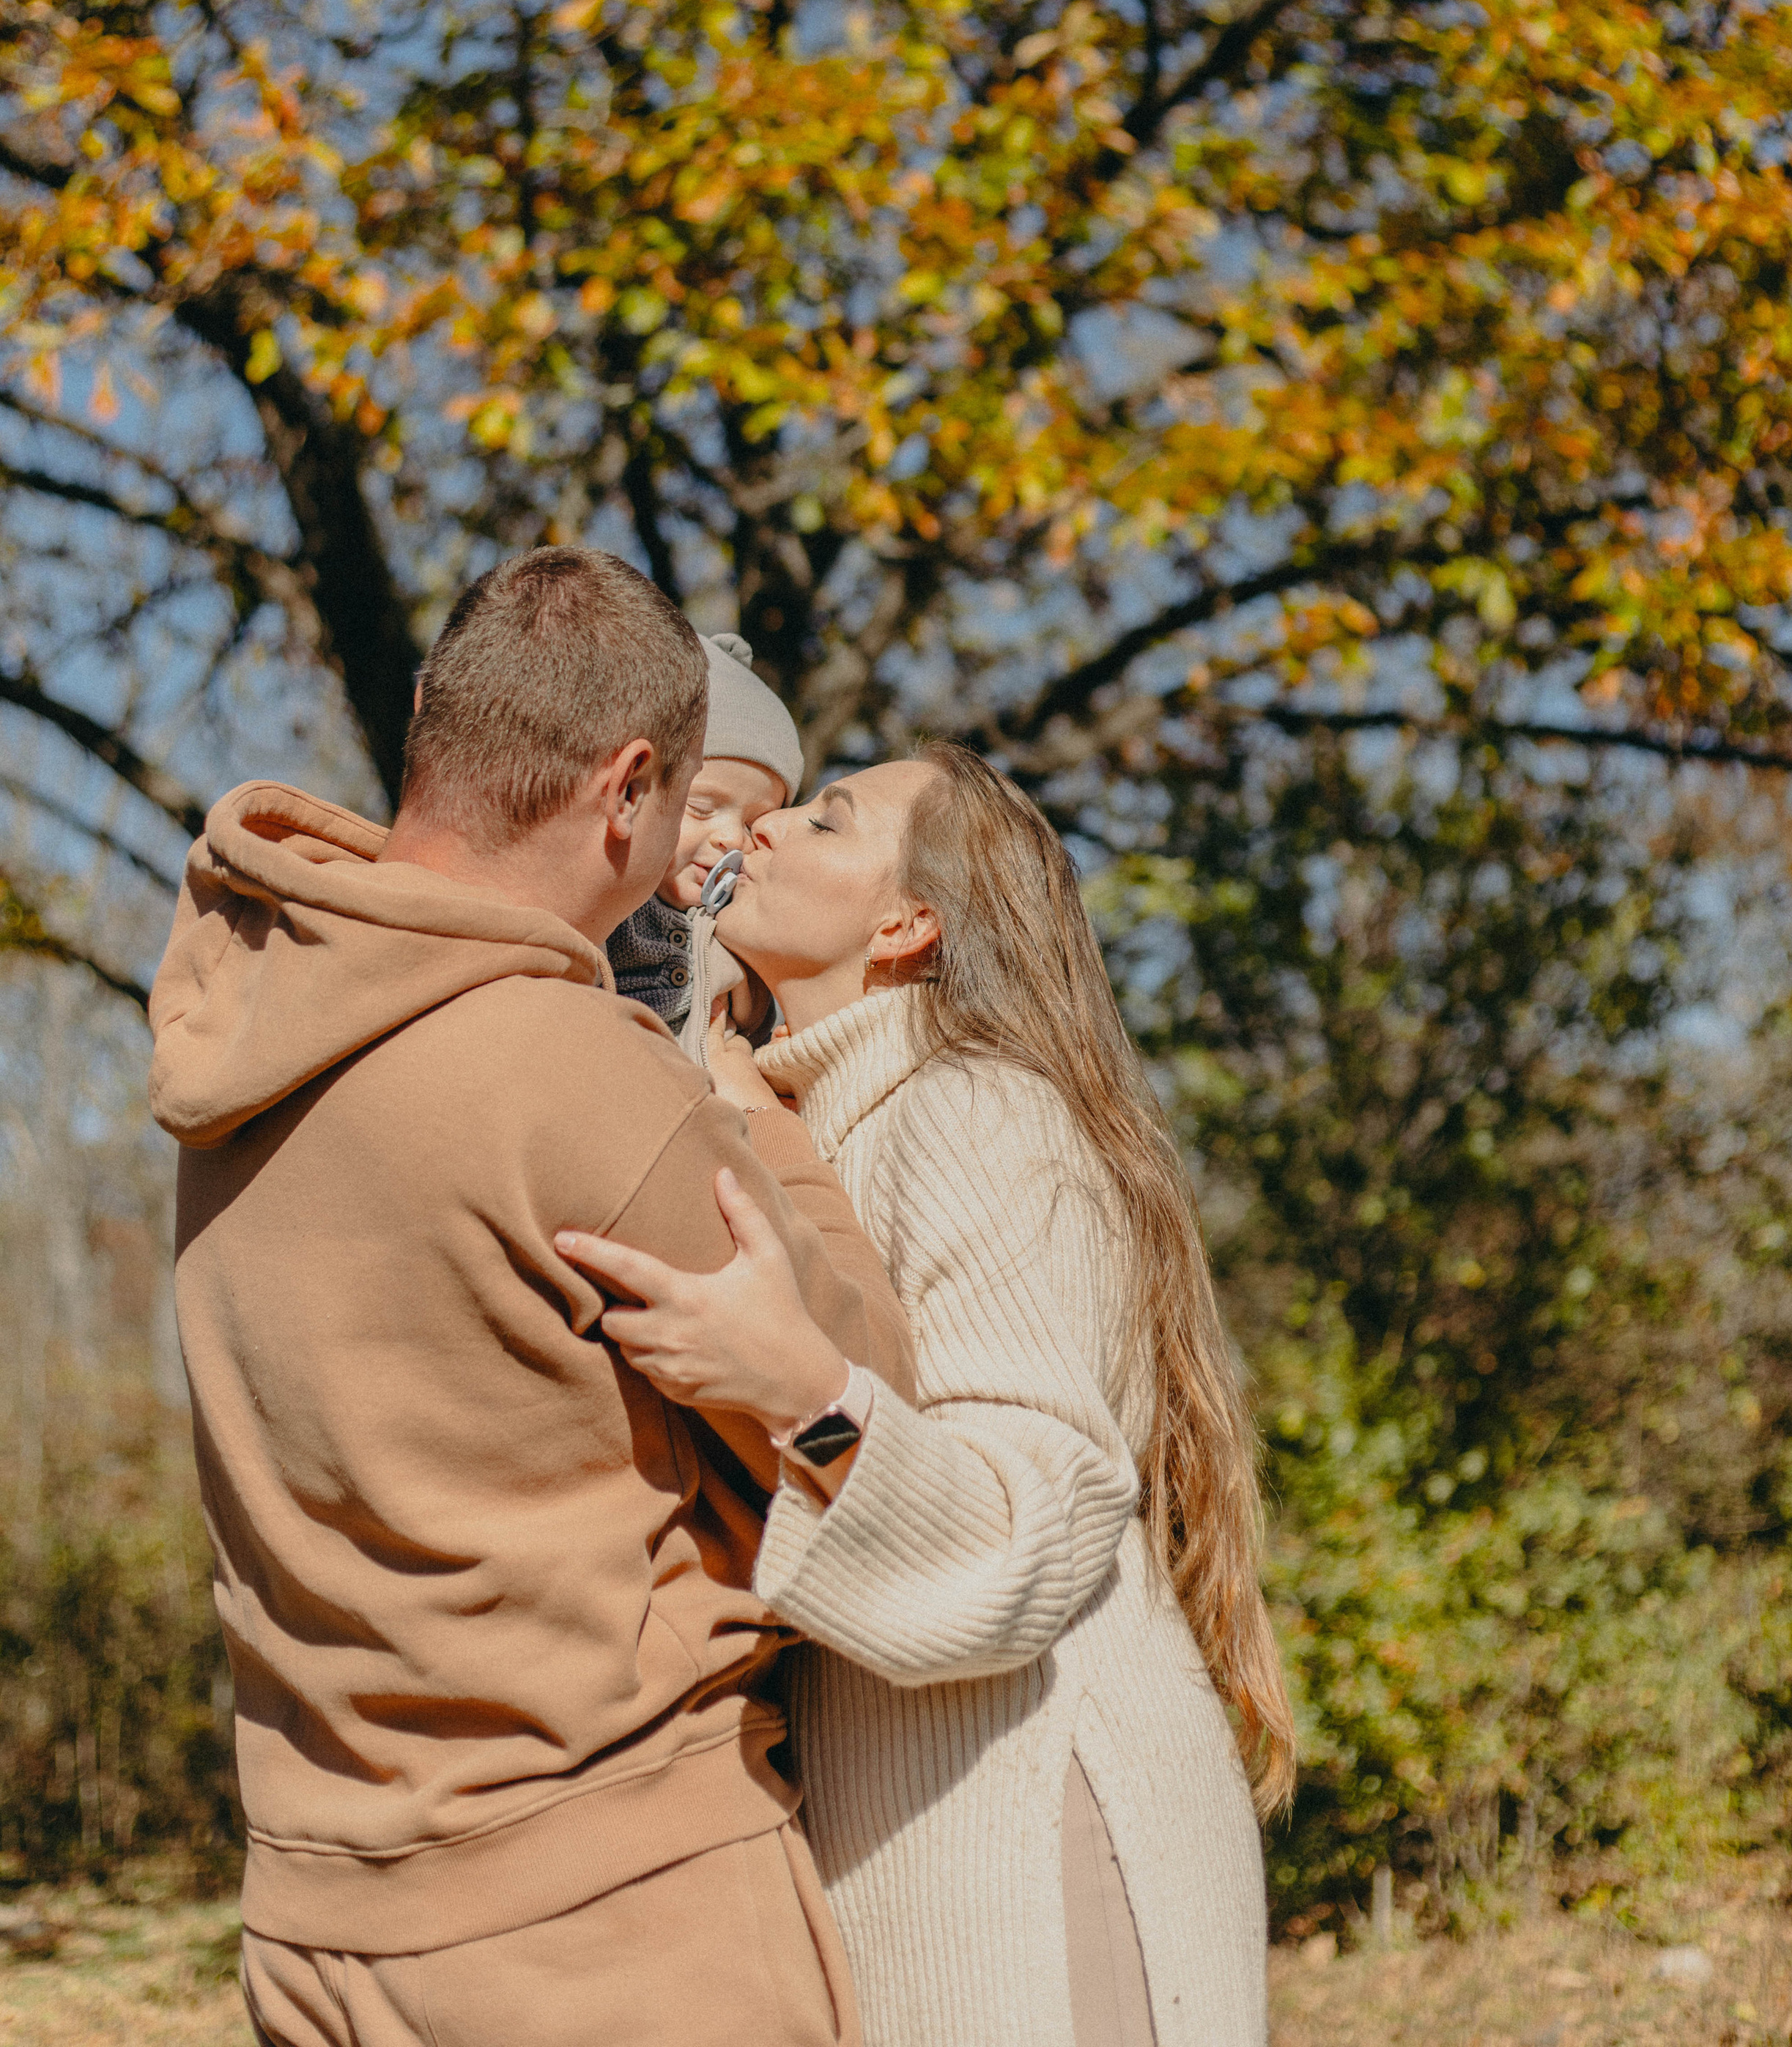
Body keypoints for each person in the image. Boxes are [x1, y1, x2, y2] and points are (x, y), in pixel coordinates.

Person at [149, 549, 915, 2047]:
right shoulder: (571, 1075)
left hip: (321, 1921)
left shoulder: (245, 1040)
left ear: (435, 716)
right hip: (612, 1925)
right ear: (628, 787)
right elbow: (874, 1397)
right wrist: (745, 1104)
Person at [558, 744, 1295, 2047]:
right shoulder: (826, 1126)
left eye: (828, 821)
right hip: (934, 1843)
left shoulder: (970, 1113)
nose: (767, 827)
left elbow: (1039, 1525)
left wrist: (801, 1387)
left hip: (1037, 1847)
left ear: (909, 924)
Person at [605, 631, 802, 1065]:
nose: (732, 839)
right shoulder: (606, 903)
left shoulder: (743, 923)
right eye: (701, 807)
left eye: (755, 824)